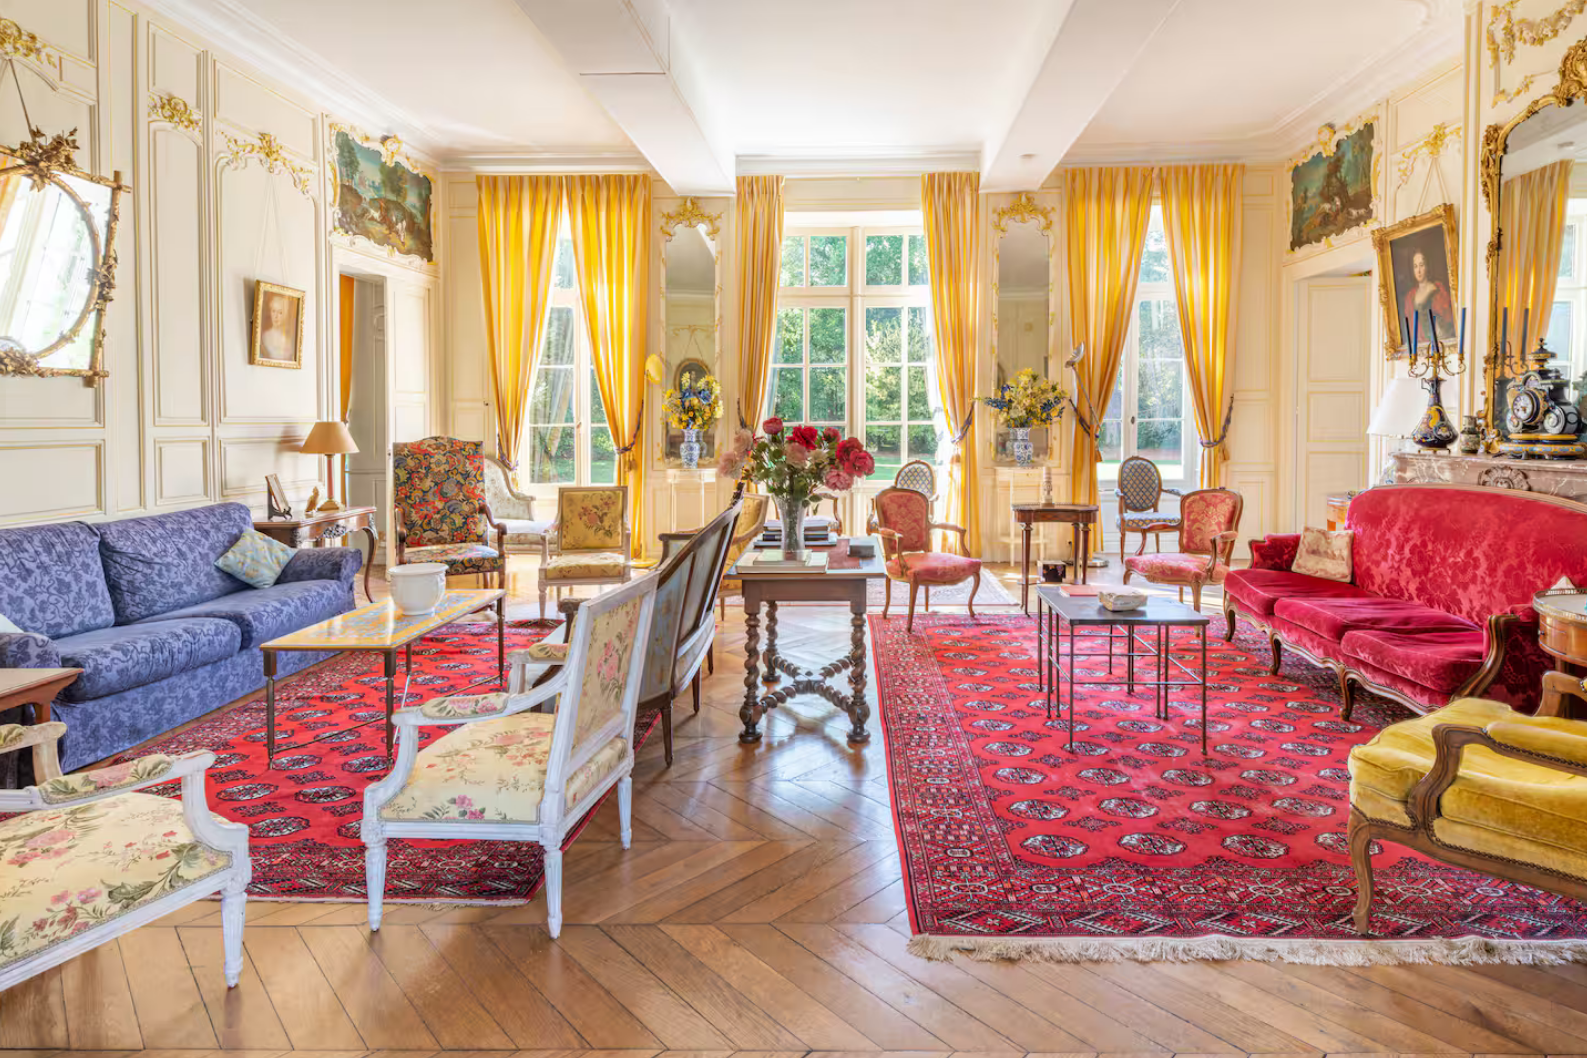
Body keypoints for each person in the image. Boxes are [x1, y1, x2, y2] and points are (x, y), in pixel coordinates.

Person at [1401, 248, 1455, 343]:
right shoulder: (1410, 296)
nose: (1418, 271)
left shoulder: (1437, 289)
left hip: (1437, 341)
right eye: (1415, 266)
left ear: (1427, 266)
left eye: (1421, 265)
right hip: (1419, 345)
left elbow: (1447, 321)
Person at [260, 291, 296, 361]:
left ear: (286, 314)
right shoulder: (266, 336)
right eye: (273, 311)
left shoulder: (290, 338)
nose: (275, 316)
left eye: (280, 312)